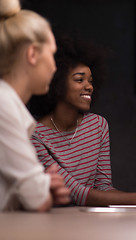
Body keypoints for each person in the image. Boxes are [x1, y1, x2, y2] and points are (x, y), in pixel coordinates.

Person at [28, 36, 136, 207]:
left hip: (90, 221)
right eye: (79, 80)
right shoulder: (35, 135)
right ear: (56, 84)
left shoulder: (98, 125)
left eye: (91, 81)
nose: (89, 86)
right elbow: (76, 193)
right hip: (51, 222)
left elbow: (103, 187)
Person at [0, 0, 70, 211]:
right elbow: (37, 200)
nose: (55, 66)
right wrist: (42, 188)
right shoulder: (4, 104)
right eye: (52, 53)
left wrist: (41, 185)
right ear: (32, 54)